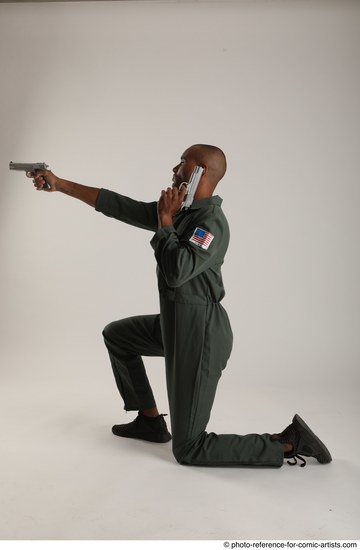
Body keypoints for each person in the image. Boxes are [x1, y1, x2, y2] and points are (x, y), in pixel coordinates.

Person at [29, 144, 332, 468]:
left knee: (189, 448)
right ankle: (149, 420)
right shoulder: (183, 214)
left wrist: (164, 221)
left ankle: (286, 443)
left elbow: (177, 270)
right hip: (177, 324)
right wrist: (61, 184)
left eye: (182, 162)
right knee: (118, 336)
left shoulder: (210, 223)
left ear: (201, 170)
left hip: (200, 335)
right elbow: (119, 206)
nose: (174, 169)